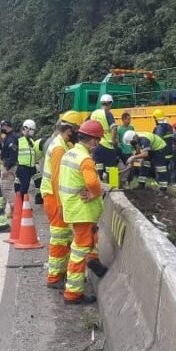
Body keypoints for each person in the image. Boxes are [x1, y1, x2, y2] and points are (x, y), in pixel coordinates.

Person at [58, 120, 108, 305]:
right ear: (93, 141)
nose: (97, 144)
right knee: (79, 252)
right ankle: (73, 294)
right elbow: (93, 184)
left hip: (73, 208)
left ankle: (94, 262)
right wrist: (96, 193)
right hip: (82, 210)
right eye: (98, 140)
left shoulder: (69, 153)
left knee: (89, 240)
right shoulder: (85, 159)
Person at [42, 114, 78, 290]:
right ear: (69, 130)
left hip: (54, 197)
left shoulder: (61, 144)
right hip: (54, 198)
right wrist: (62, 205)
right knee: (59, 238)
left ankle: (60, 273)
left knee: (64, 238)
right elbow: (57, 179)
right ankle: (54, 277)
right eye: (75, 130)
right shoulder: (58, 148)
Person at [89, 94, 121, 182]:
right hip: (108, 144)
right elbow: (114, 128)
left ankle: (99, 184)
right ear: (110, 103)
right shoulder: (107, 113)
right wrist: (114, 141)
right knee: (112, 167)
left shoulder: (94, 113)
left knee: (98, 166)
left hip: (96, 144)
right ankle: (114, 186)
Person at [16, 119, 42, 199]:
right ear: (27, 128)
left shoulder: (30, 140)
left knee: (38, 179)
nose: (33, 132)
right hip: (23, 166)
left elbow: (33, 152)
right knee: (24, 186)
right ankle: (21, 204)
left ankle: (38, 199)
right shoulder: (18, 139)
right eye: (32, 130)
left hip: (31, 166)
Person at [0, 120, 19, 216]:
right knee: (6, 187)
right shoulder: (7, 137)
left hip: (9, 166)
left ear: (6, 126)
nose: (1, 129)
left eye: (2, 127)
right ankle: (8, 209)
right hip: (8, 165)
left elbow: (13, 155)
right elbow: (3, 148)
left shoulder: (11, 138)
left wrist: (7, 168)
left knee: (7, 188)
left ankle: (13, 209)